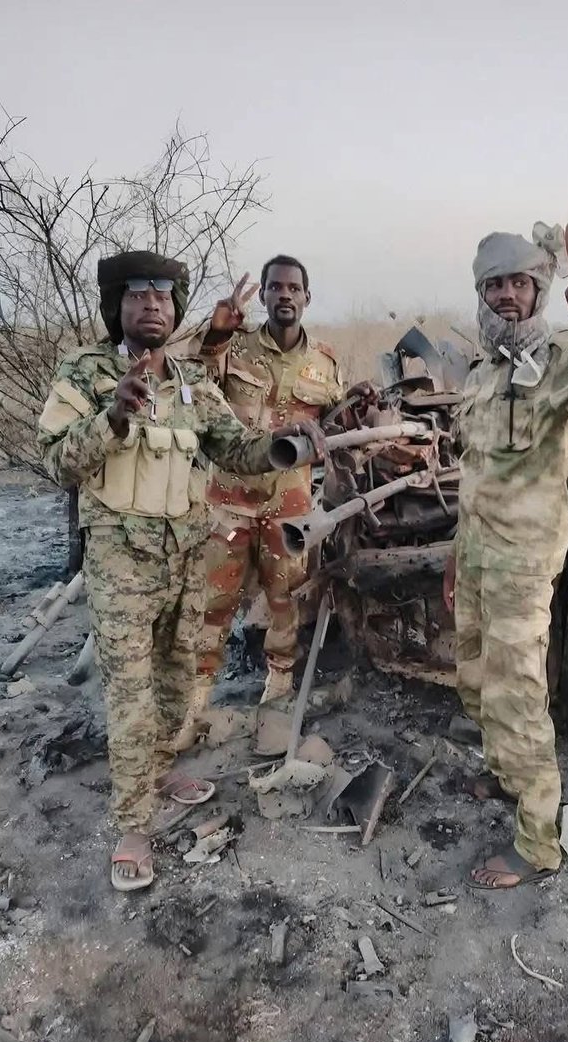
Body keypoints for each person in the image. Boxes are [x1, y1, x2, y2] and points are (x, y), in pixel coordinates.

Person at [37, 251, 318, 892]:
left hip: (186, 560)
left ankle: (160, 772)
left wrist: (293, 440)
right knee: (131, 696)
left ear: (175, 308)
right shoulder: (86, 372)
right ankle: (134, 826)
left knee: (175, 680)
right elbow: (56, 461)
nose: (152, 306)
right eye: (138, 296)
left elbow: (236, 449)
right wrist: (112, 418)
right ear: (117, 307)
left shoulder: (191, 380)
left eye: (163, 297)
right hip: (121, 566)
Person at [443, 215, 568, 889]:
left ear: (537, 291)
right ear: (481, 293)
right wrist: (455, 555)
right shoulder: (481, 374)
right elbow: (474, 476)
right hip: (476, 560)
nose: (506, 295)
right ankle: (505, 777)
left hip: (522, 568)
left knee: (517, 696)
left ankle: (537, 842)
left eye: (519, 284)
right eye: (494, 284)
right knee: (473, 680)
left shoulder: (560, 361)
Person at [178, 256, 377, 741]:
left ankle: (279, 685)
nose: (285, 295)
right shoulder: (234, 347)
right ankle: (194, 702)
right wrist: (215, 332)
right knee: (213, 603)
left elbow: (331, 427)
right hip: (229, 502)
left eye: (294, 288)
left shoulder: (324, 363)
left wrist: (355, 403)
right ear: (264, 295)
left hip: (289, 510)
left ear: (307, 297)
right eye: (275, 287)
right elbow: (190, 381)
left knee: (287, 602)